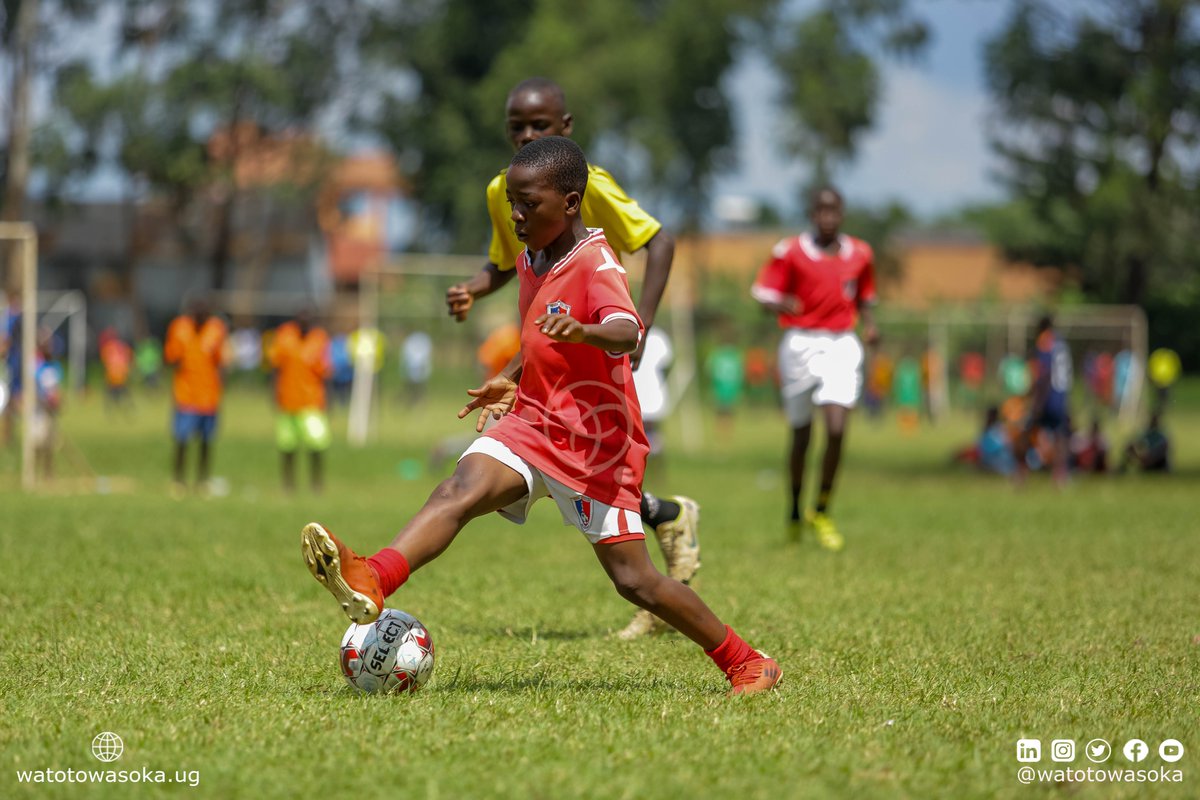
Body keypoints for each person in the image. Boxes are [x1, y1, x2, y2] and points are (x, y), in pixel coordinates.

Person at [302, 138, 780, 695]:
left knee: (635, 581)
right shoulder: (533, 256)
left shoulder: (596, 262)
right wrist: (510, 375)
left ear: (571, 203)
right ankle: (374, 576)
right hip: (533, 421)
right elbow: (537, 334)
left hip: (595, 442)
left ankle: (745, 660)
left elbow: (627, 330)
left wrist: (586, 330)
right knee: (458, 488)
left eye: (529, 204)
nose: (517, 216)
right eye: (512, 203)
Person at [442, 78, 699, 638]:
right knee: (558, 462)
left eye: (540, 126)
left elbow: (659, 241)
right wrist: (474, 289)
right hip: (554, 343)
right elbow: (512, 260)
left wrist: (641, 323)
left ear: (566, 128)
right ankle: (665, 518)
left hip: (602, 330)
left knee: (599, 461)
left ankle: (656, 559)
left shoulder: (592, 184)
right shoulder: (502, 189)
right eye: (517, 127)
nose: (527, 135)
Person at [752, 186, 878, 550]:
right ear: (812, 214)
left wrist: (870, 326)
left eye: (833, 211)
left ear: (842, 213)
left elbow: (865, 295)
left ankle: (821, 510)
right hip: (800, 344)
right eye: (821, 211)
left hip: (842, 343)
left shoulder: (860, 253)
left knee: (837, 428)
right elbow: (762, 293)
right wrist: (782, 305)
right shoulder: (790, 251)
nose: (827, 218)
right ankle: (794, 509)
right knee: (802, 435)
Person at [164, 296, 228, 496]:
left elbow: (220, 360)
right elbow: (170, 357)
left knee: (206, 441)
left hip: (209, 395)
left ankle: (202, 480)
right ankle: (179, 480)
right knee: (182, 439)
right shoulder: (179, 328)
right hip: (186, 395)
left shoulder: (216, 329)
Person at [268, 310, 332, 493]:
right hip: (287, 400)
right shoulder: (284, 335)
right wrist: (273, 392)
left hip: (312, 401)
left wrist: (329, 398)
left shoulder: (319, 338)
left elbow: (325, 371)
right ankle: (288, 484)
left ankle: (316, 483)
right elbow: (276, 366)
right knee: (287, 445)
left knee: (317, 444)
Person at [1016, 315, 1072, 487]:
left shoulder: (1045, 342)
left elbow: (1043, 373)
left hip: (1047, 397)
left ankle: (1021, 473)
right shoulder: (1062, 344)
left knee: (1027, 432)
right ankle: (1060, 475)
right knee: (1059, 436)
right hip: (1061, 397)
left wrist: (1035, 400)